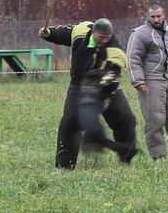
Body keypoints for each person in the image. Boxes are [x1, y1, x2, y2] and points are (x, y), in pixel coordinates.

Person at [39, 18, 138, 170]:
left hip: (106, 86)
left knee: (126, 119)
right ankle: (64, 167)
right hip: (78, 85)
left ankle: (126, 160)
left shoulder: (114, 49)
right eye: (101, 37)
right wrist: (49, 33)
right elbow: (65, 33)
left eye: (108, 37)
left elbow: (115, 70)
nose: (105, 40)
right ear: (93, 32)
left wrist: (105, 96)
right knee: (70, 122)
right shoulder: (80, 30)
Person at [126, 4, 168, 160]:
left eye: (158, 16)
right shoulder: (140, 34)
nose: (156, 19)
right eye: (153, 17)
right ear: (148, 17)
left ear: (164, 15)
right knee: (155, 120)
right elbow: (133, 58)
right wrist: (138, 80)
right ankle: (159, 157)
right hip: (150, 82)